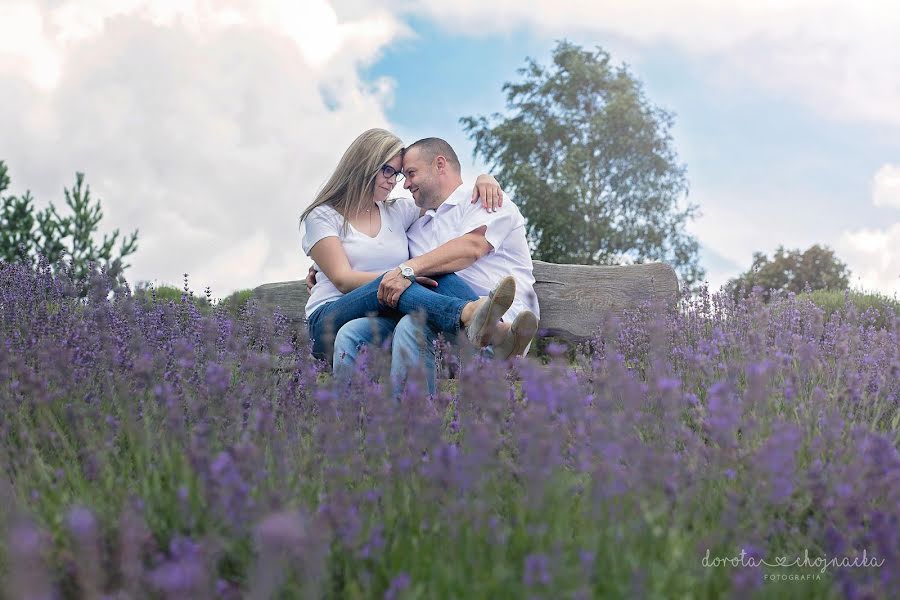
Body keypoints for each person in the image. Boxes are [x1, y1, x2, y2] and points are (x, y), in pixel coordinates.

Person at [324, 137, 540, 395]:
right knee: (351, 333)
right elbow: (374, 248)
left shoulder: (487, 199)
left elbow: (472, 247)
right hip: (442, 322)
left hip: (507, 333)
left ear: (440, 164)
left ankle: (412, 428)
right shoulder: (417, 225)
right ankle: (348, 428)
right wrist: (322, 269)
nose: (405, 184)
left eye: (411, 173)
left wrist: (408, 269)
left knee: (412, 325)